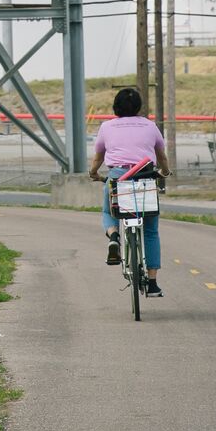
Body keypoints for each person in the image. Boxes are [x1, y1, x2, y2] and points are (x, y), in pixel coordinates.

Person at [89, 86, 170, 297]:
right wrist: (165, 172)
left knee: (109, 212)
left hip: (117, 178)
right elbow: (161, 156)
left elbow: (98, 157)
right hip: (145, 178)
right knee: (151, 230)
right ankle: (152, 284)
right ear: (139, 107)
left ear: (115, 107)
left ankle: (114, 237)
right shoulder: (150, 126)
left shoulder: (107, 127)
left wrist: (94, 173)